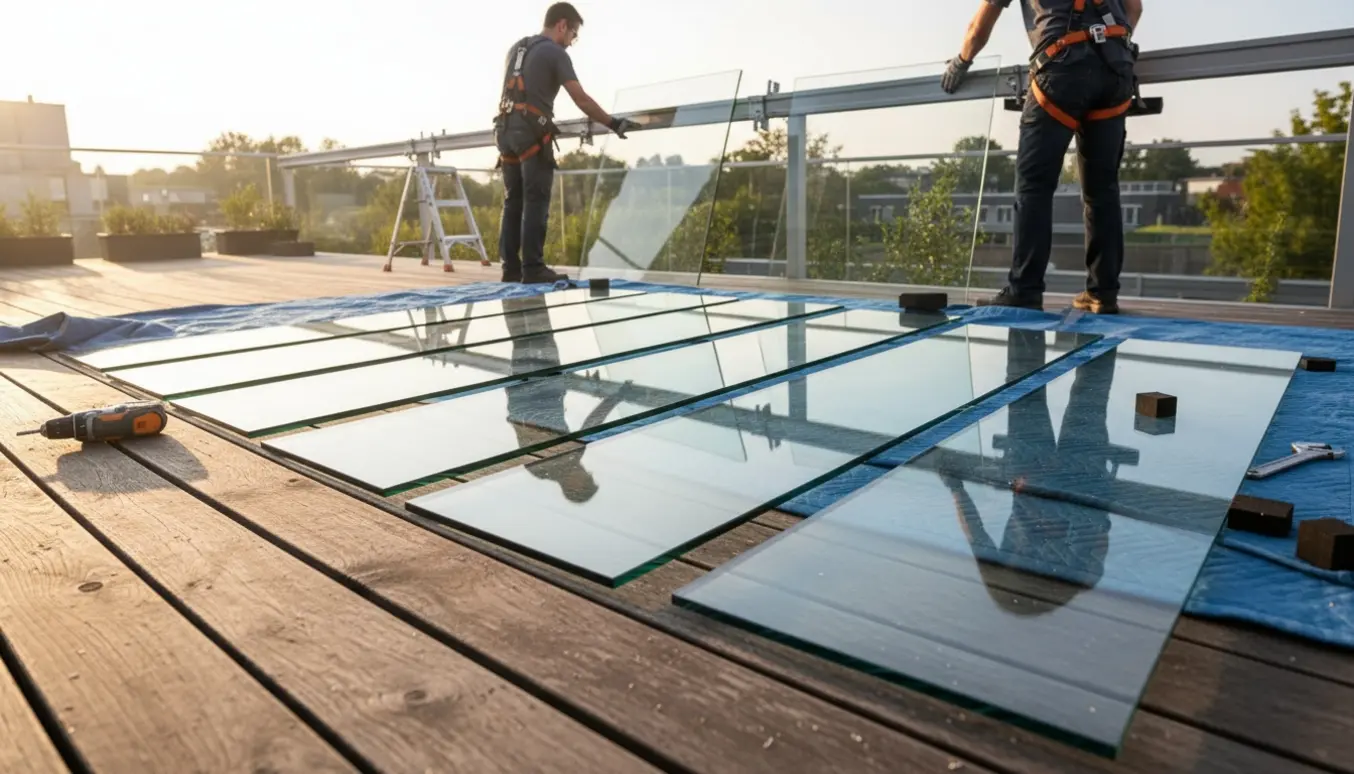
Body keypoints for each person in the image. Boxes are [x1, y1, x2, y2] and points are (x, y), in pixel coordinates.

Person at [941, 0, 1143, 314]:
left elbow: (979, 25)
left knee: (1034, 187)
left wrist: (961, 62)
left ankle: (1024, 289)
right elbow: (1135, 8)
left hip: (1062, 70)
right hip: (1115, 71)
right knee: (1102, 191)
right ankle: (1103, 293)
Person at [494, 2, 640, 284]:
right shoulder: (555, 52)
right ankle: (533, 268)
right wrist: (612, 123)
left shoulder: (516, 48)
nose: (572, 42)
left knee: (513, 201)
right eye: (573, 34)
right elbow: (580, 98)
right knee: (536, 199)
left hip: (504, 129)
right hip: (531, 134)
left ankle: (510, 269)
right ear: (562, 25)